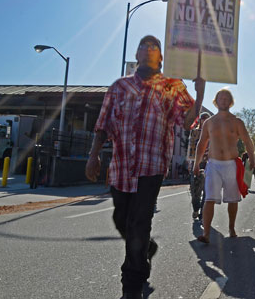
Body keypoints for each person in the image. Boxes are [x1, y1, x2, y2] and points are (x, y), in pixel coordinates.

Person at [85, 35, 205, 299]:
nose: (149, 50)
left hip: (152, 166)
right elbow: (103, 124)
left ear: (161, 57)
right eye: (144, 46)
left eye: (154, 47)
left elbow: (187, 122)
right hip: (121, 167)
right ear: (137, 55)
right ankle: (146, 250)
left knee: (139, 223)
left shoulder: (172, 86)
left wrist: (200, 93)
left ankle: (132, 286)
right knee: (121, 220)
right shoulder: (119, 87)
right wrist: (93, 156)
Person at [194, 89, 255, 244]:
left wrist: (253, 159)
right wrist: (196, 163)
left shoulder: (237, 122)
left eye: (226, 98)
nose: (223, 100)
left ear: (230, 101)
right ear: (216, 101)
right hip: (213, 164)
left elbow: (248, 142)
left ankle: (231, 228)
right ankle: (206, 233)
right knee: (209, 198)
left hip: (231, 164)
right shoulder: (209, 122)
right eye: (220, 97)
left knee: (232, 199)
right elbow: (201, 144)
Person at [189, 112, 211, 221]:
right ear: (200, 120)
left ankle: (203, 213)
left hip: (209, 164)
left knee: (207, 190)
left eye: (207, 118)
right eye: (203, 118)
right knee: (195, 190)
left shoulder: (212, 133)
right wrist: (191, 163)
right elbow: (191, 147)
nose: (205, 120)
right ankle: (196, 209)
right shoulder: (195, 132)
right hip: (196, 163)